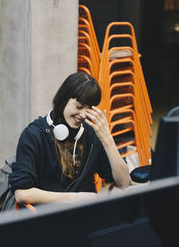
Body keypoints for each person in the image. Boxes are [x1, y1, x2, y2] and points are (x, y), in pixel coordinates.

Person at [9, 72, 131, 205]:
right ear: (63, 99)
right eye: (79, 107)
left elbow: (124, 182)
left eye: (89, 109)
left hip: (85, 216)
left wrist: (107, 139)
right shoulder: (34, 135)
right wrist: (76, 198)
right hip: (46, 217)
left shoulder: (91, 134)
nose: (83, 115)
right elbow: (22, 194)